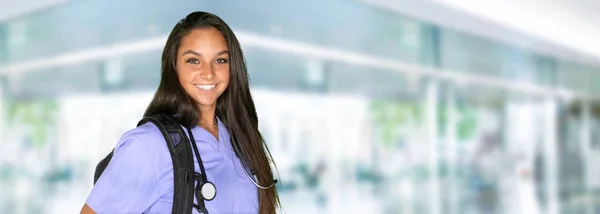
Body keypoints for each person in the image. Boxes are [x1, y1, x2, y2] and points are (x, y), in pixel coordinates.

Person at [80, 11, 280, 214]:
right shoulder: (149, 145)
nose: (208, 73)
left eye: (220, 60)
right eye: (194, 60)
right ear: (174, 66)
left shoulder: (240, 139)